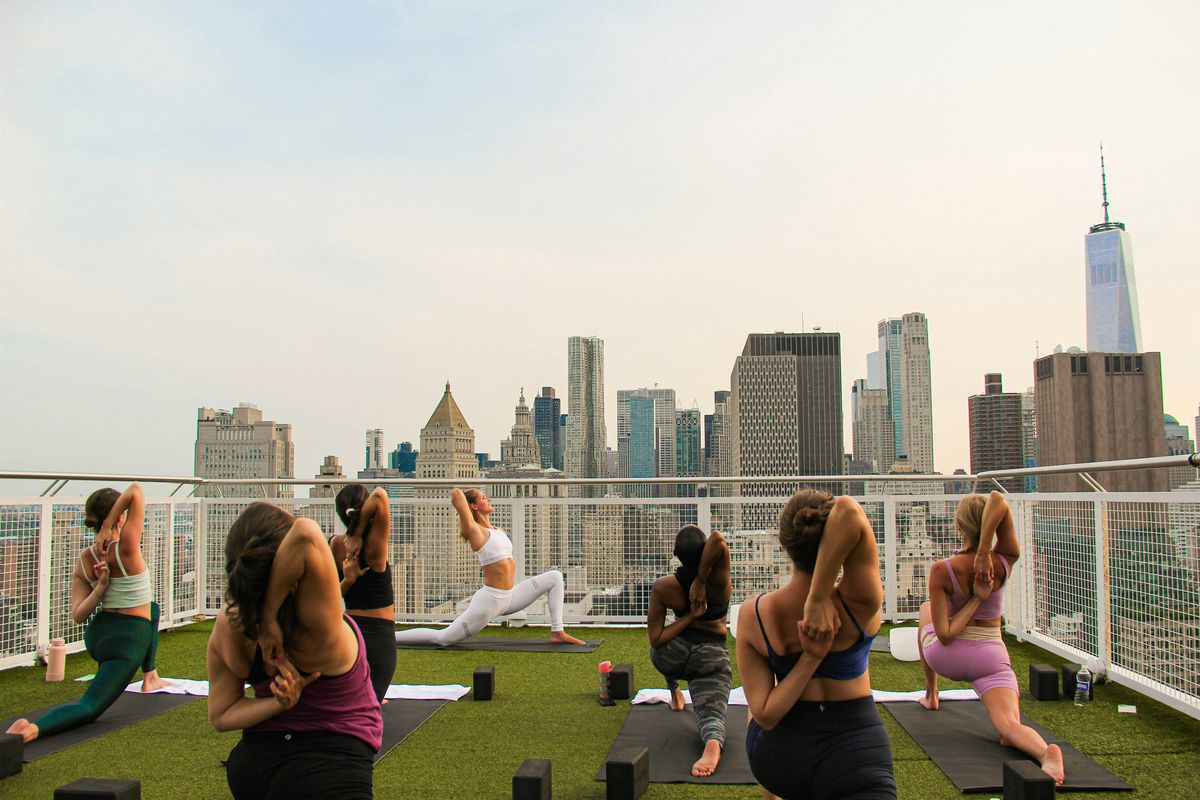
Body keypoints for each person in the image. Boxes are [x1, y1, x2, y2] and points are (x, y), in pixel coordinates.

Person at [208, 502, 382, 800]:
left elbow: (221, 714)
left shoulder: (228, 624)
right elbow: (305, 532)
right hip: (329, 768)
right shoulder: (319, 623)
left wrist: (279, 704)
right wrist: (269, 616)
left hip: (254, 768)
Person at [736, 489, 896, 800]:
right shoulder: (860, 601)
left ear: (785, 544)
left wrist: (809, 658)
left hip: (780, 762)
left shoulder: (754, 613)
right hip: (856, 755)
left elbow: (766, 715)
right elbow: (849, 510)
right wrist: (819, 597)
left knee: (756, 705)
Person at [918, 492, 1065, 785]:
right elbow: (998, 498)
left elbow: (945, 635)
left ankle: (931, 694)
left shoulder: (942, 570)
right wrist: (985, 556)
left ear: (959, 527)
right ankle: (1045, 753)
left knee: (926, 613)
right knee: (1009, 727)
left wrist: (973, 600)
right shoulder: (1004, 559)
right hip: (991, 658)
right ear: (992, 527)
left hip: (949, 658)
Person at [7, 483, 169, 743]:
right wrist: (108, 528)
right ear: (120, 517)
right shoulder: (126, 548)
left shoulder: (86, 558)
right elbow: (136, 490)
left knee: (154, 608)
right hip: (127, 643)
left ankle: (151, 677)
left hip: (98, 635)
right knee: (90, 706)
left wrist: (101, 588)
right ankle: (30, 730)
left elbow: (79, 615)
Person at [394, 488, 585, 647]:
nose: (489, 499)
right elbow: (455, 494)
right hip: (490, 601)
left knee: (555, 577)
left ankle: (557, 631)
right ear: (475, 506)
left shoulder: (497, 530)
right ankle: (390, 638)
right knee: (443, 638)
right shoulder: (476, 532)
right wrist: (467, 508)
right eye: (484, 498)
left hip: (510, 596)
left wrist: (475, 500)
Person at [647, 525, 732, 778]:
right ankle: (712, 743)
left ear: (675, 553)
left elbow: (656, 639)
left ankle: (675, 693)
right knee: (711, 711)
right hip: (710, 659)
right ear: (705, 550)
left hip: (674, 657)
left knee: (657, 653)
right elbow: (718, 539)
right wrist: (701, 582)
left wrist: (686, 618)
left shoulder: (664, 587)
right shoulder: (719, 581)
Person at [331, 484, 396, 703]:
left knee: (346, 703)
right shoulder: (374, 548)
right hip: (378, 639)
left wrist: (348, 580)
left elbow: (329, 598)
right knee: (365, 708)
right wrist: (357, 533)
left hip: (346, 632)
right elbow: (380, 495)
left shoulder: (335, 544)